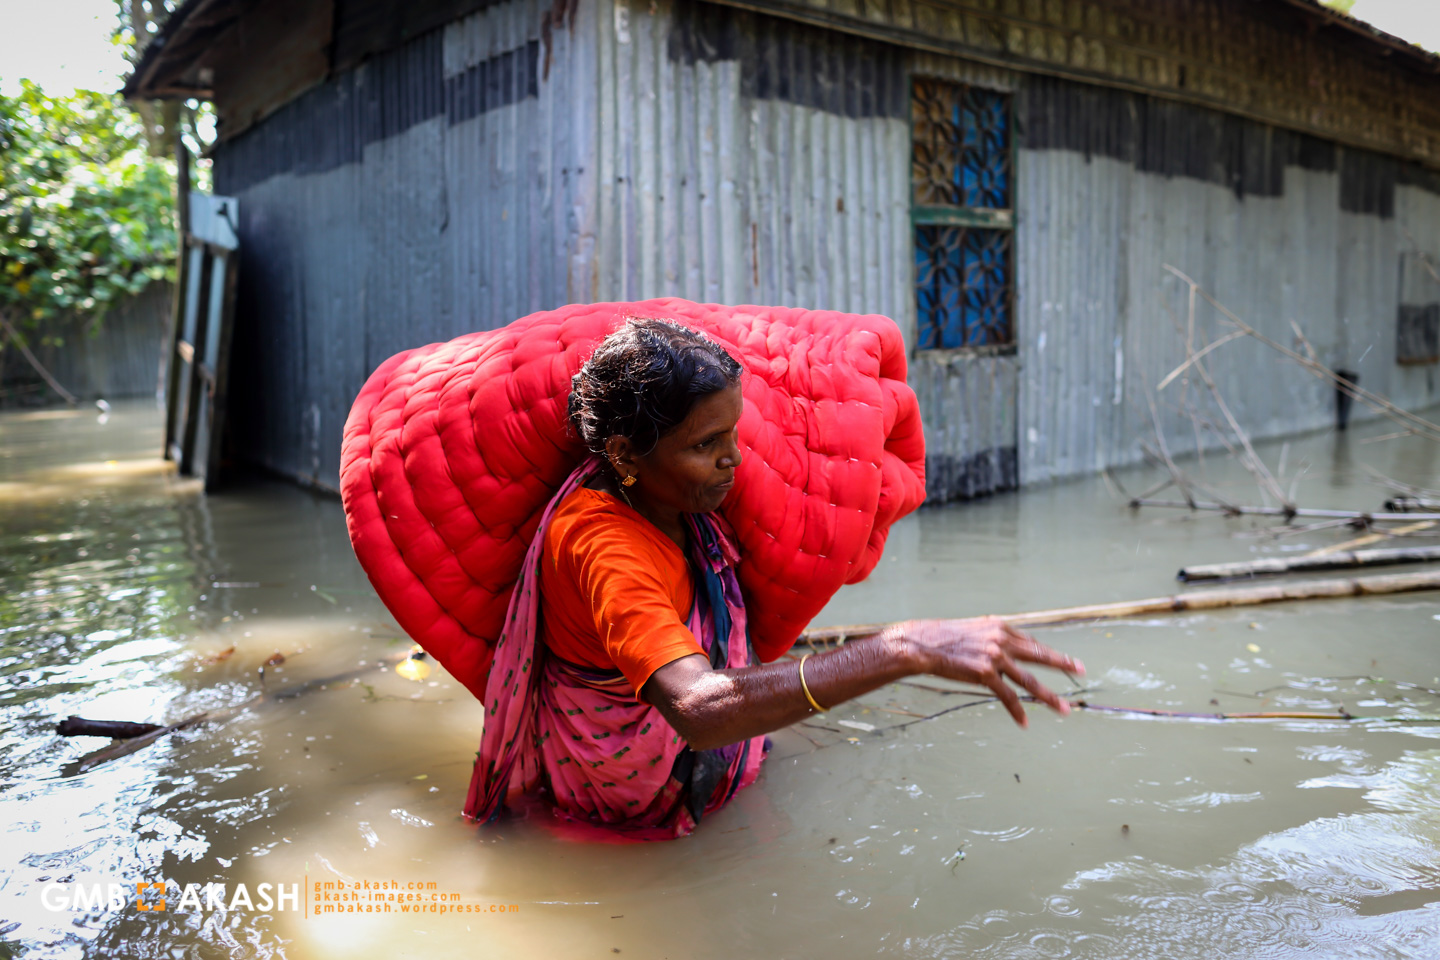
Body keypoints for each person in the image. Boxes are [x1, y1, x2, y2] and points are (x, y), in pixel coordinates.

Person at [464, 318, 1083, 838]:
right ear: (624, 455)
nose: (735, 456)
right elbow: (696, 707)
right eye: (708, 443)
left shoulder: (672, 496)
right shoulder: (605, 547)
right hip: (629, 792)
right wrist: (903, 649)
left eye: (733, 431)